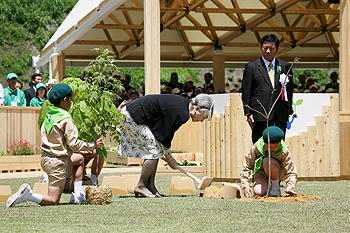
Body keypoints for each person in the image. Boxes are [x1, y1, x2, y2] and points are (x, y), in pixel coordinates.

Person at [6, 83, 103, 207]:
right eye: (71, 99)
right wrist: (92, 145)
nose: (71, 102)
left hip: (46, 159)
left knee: (78, 159)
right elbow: (74, 144)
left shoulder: (50, 115)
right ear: (65, 100)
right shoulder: (66, 119)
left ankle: (78, 194)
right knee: (53, 200)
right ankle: (28, 194)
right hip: (58, 162)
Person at [118, 94, 214, 197]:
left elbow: (163, 135)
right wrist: (169, 158)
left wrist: (168, 156)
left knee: (156, 149)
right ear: (197, 108)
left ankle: (150, 186)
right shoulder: (182, 113)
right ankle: (141, 186)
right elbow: (165, 135)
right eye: (203, 117)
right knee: (153, 150)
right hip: (132, 115)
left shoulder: (182, 105)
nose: (202, 121)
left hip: (134, 114)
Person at [241, 34, 293, 143]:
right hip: (260, 114)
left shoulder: (285, 66)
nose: (268, 51)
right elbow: (246, 91)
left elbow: (289, 90)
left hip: (280, 114)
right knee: (260, 145)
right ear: (261, 47)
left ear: (277, 49)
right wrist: (248, 112)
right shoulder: (252, 67)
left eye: (271, 48)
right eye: (265, 48)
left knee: (279, 146)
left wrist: (287, 111)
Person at [240, 126, 298, 197]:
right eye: (269, 146)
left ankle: (275, 187)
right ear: (264, 143)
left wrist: (290, 188)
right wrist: (245, 185)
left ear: (280, 142)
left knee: (268, 161)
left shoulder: (284, 150)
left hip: (278, 171)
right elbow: (247, 166)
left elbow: (291, 171)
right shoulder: (257, 147)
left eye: (275, 145)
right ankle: (268, 185)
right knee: (258, 192)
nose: (272, 148)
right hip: (262, 172)